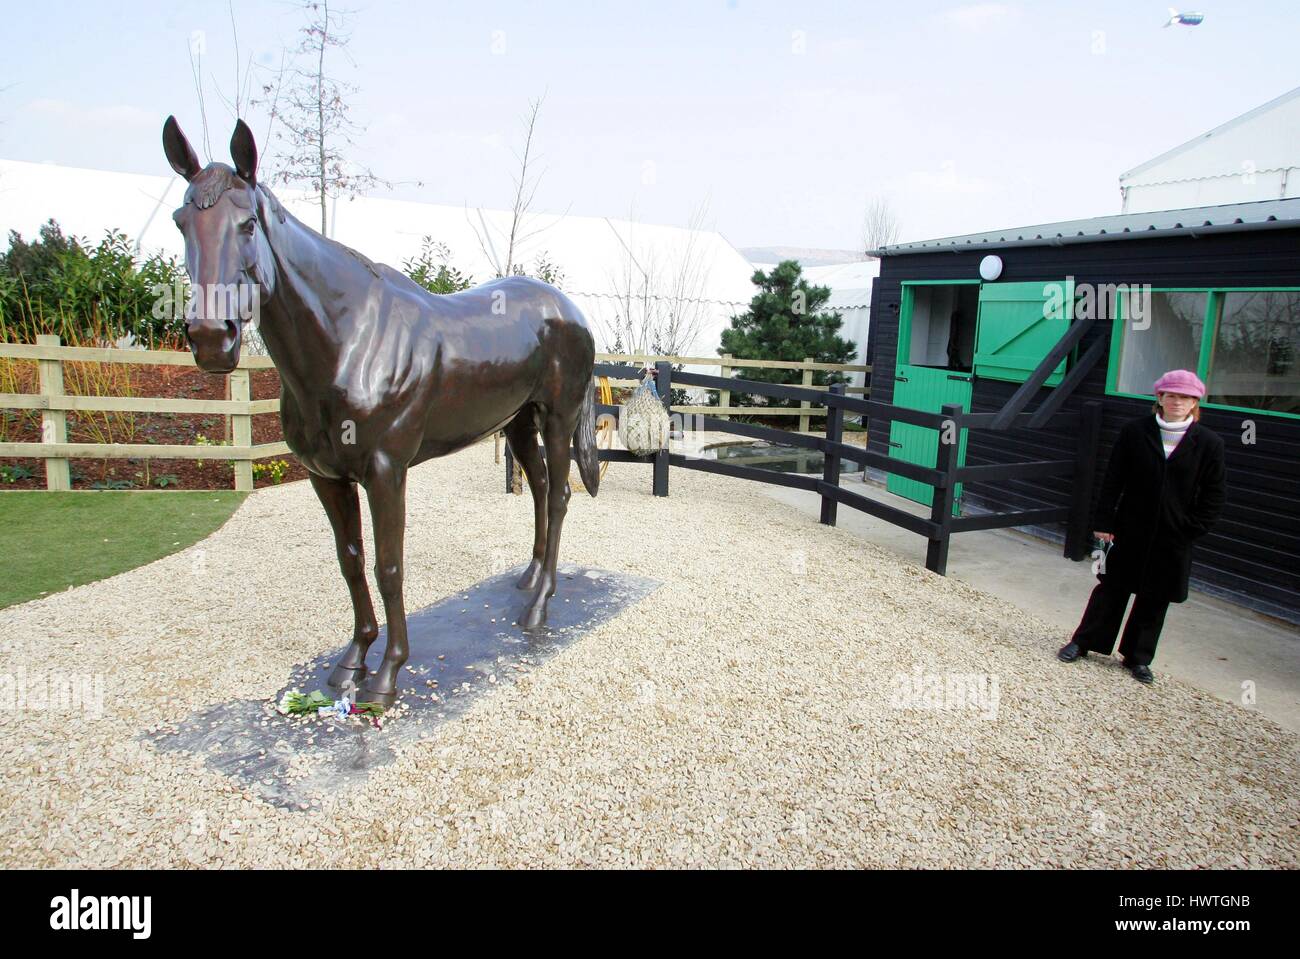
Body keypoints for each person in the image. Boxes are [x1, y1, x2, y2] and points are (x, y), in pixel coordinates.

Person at [1057, 369, 1226, 684]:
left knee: (1155, 597)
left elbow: (1214, 493)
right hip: (1129, 527)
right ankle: (1084, 642)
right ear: (1159, 398)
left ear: (1195, 403)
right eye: (1172, 395)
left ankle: (1137, 658)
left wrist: (1193, 528)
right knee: (1111, 587)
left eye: (1186, 397)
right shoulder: (1135, 432)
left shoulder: (1209, 444)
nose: (1178, 402)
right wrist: (1104, 522)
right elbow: (1114, 479)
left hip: (1174, 535)